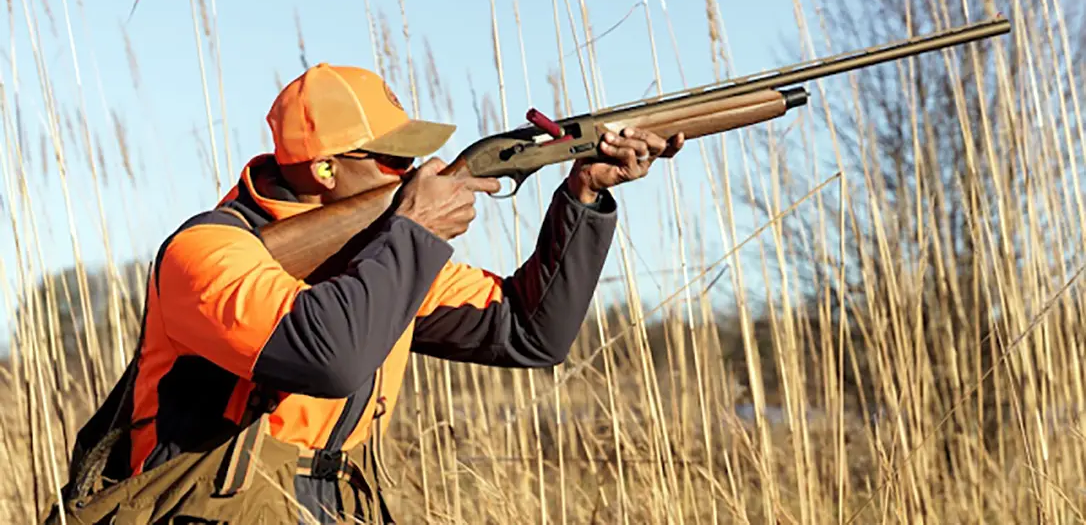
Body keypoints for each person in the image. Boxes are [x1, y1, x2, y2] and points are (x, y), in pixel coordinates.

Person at [44, 63, 684, 524]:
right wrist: (415, 230)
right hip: (207, 505)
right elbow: (328, 357)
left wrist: (585, 193)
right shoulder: (206, 254)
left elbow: (529, 332)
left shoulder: (381, 253)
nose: (416, 173)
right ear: (324, 169)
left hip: (337, 502)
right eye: (392, 161)